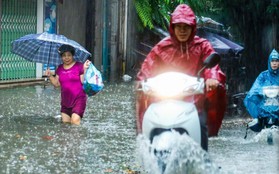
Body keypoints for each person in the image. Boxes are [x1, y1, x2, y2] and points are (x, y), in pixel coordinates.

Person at [136, 4, 226, 151]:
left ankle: (203, 161)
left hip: (194, 102)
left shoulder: (202, 45)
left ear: (192, 28)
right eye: (179, 27)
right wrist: (141, 82)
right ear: (173, 27)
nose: (182, 31)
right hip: (163, 99)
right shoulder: (161, 47)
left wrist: (212, 78)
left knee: (202, 124)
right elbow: (147, 67)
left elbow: (213, 67)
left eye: (186, 27)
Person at [45, 44, 91, 125]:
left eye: (69, 55)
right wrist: (50, 76)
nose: (66, 58)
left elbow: (83, 81)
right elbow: (57, 84)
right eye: (64, 56)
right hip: (65, 102)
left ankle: (79, 137)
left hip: (78, 99)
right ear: (61, 57)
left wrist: (85, 69)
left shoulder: (79, 66)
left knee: (75, 121)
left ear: (73, 55)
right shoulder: (59, 68)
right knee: (65, 125)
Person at [244, 49, 279, 131]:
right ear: (269, 62)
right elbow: (255, 88)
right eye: (272, 61)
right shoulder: (263, 75)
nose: (274, 63)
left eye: (276, 61)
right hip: (265, 109)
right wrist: (263, 92)